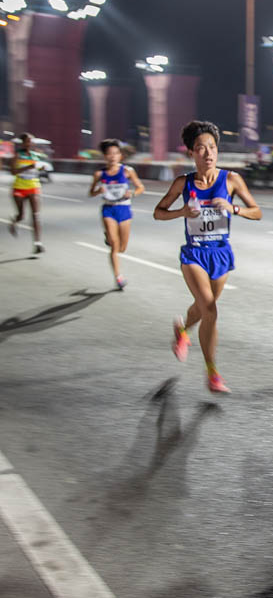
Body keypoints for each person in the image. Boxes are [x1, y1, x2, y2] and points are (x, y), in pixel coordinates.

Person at [153, 120, 262, 394]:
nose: (209, 154)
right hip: (194, 255)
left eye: (212, 147)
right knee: (210, 309)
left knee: (202, 308)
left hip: (221, 254)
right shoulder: (183, 183)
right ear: (191, 152)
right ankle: (212, 372)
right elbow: (158, 212)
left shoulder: (232, 180)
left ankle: (182, 331)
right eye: (201, 149)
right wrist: (181, 213)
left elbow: (256, 211)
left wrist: (233, 208)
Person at [87, 139, 145, 289]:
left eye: (116, 153)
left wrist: (131, 193)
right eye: (109, 154)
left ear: (120, 155)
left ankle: (110, 239)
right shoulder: (100, 174)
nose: (113, 156)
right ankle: (118, 277)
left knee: (122, 248)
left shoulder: (127, 171)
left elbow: (140, 188)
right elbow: (90, 193)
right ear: (105, 156)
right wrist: (98, 191)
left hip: (124, 209)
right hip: (109, 209)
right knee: (114, 245)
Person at [9, 132, 46, 253]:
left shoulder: (36, 155)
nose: (30, 143)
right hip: (19, 188)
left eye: (31, 141)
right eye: (28, 141)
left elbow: (37, 168)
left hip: (33, 186)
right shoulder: (17, 155)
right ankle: (15, 221)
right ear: (23, 143)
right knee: (21, 215)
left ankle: (38, 243)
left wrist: (41, 168)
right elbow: (13, 172)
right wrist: (27, 168)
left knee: (36, 215)